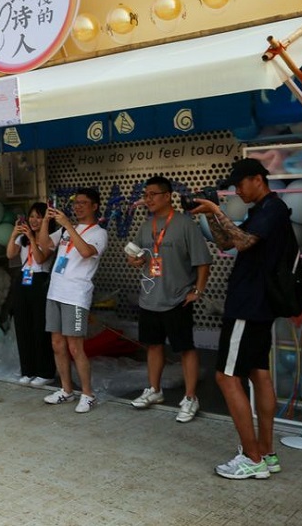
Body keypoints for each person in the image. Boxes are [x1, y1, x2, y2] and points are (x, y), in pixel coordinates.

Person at [191, 158, 287, 480]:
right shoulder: (262, 212)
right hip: (257, 306)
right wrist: (212, 213)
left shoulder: (272, 209)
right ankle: (267, 453)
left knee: (226, 376)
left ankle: (252, 457)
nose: (237, 191)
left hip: (248, 306)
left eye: (239, 184)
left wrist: (218, 212)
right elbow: (227, 242)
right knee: (259, 374)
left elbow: (245, 242)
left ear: (258, 179)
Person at [125, 175, 211, 423]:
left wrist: (198, 291)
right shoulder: (145, 226)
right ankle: (154, 390)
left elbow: (203, 261)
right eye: (145, 194)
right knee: (153, 345)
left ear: (167, 196)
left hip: (177, 298)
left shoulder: (185, 224)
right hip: (149, 298)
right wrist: (134, 261)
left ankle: (191, 397)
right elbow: (136, 256)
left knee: (185, 348)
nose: (147, 199)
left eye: (152, 194)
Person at [38, 189, 108, 413]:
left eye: (83, 203)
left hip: (76, 295)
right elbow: (44, 244)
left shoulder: (99, 232)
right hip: (55, 291)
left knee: (75, 348)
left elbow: (87, 252)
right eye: (75, 203)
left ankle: (88, 394)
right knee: (57, 345)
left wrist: (67, 225)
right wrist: (46, 221)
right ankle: (66, 390)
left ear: (95, 206)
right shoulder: (68, 229)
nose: (78, 206)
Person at [6, 202, 55, 387]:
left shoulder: (49, 238)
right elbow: (10, 254)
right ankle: (28, 370)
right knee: (23, 327)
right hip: (24, 279)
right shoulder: (23, 238)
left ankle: (45, 372)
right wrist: (15, 233)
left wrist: (32, 238)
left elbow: (41, 258)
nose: (34, 220)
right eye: (32, 216)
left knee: (40, 327)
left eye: (39, 217)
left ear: (46, 220)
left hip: (40, 280)